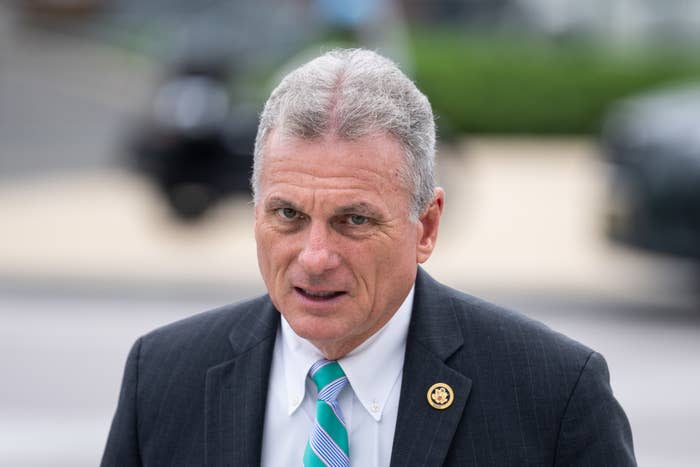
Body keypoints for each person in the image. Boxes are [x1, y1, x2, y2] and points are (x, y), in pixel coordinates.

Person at [101, 49, 636, 466]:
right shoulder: (163, 376)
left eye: (353, 220)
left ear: (425, 226)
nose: (314, 257)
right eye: (287, 215)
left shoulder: (553, 393)